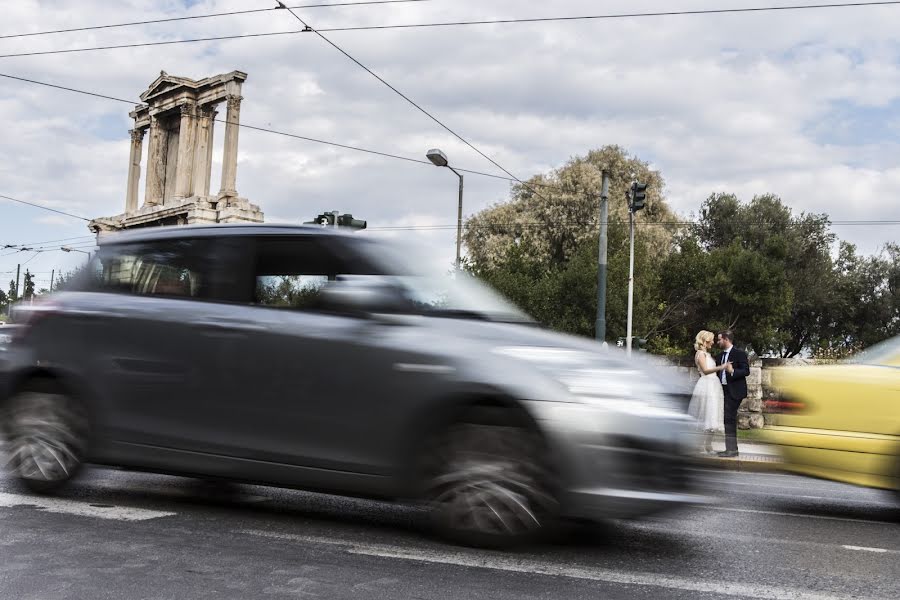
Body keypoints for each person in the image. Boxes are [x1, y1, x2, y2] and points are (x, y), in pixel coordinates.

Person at [687, 330, 726, 454]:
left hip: (714, 385)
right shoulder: (700, 354)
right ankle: (700, 445)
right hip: (706, 385)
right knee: (706, 414)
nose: (713, 342)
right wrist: (721, 367)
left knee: (713, 415)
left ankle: (709, 445)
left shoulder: (707, 354)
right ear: (705, 341)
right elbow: (705, 370)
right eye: (711, 340)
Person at [716, 330, 750, 457]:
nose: (717, 342)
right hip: (723, 391)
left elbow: (746, 371)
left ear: (726, 339)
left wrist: (732, 371)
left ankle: (731, 450)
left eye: (719, 339)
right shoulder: (719, 356)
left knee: (729, 418)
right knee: (728, 419)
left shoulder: (739, 354)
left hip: (735, 392)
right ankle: (731, 449)